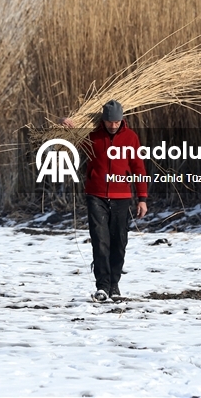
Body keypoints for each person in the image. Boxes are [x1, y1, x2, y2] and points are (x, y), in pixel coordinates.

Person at [64, 100, 148, 301]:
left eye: (117, 122)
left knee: (119, 242)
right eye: (109, 122)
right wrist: (66, 125)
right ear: (103, 120)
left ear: (122, 119)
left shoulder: (131, 138)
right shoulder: (92, 135)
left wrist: (142, 198)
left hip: (122, 197)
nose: (113, 125)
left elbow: (138, 168)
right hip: (96, 194)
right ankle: (102, 286)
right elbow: (72, 138)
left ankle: (114, 285)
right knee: (100, 241)